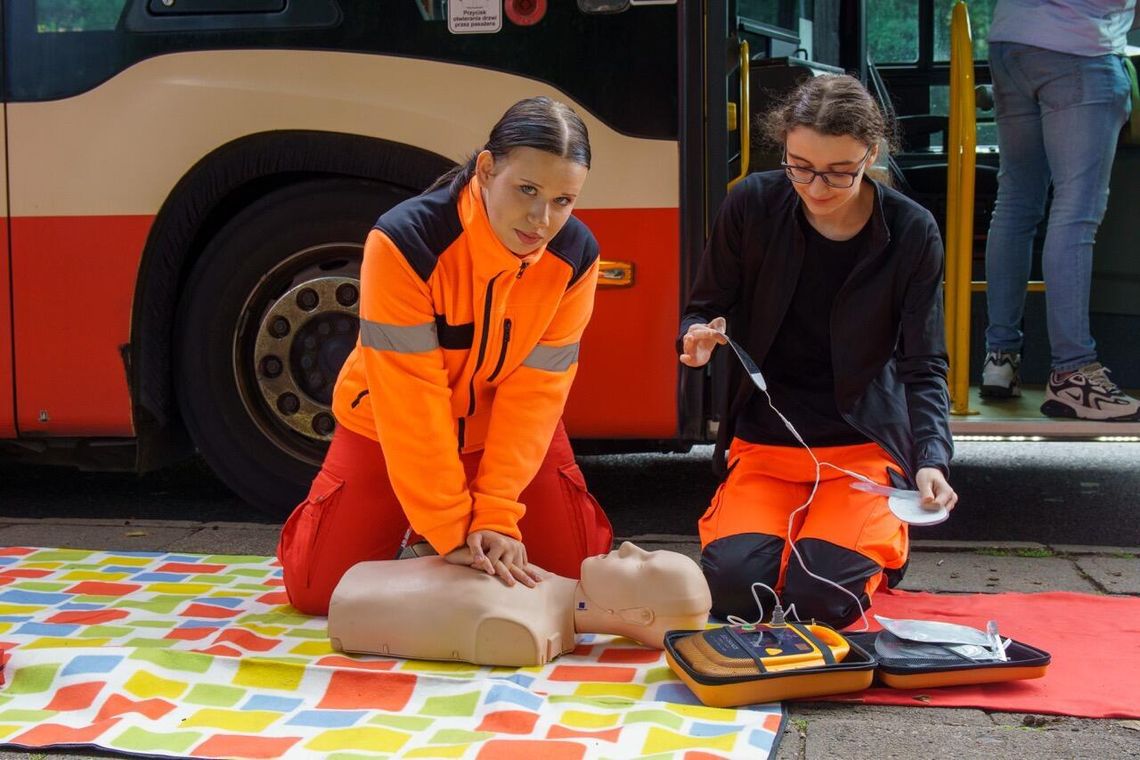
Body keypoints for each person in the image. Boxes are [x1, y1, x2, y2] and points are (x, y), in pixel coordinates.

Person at [278, 96, 614, 616]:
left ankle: (425, 532)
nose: (541, 218)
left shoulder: (576, 256)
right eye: (526, 189)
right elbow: (411, 399)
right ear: (485, 169)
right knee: (316, 592)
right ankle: (413, 528)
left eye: (563, 200)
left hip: (500, 428)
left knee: (576, 575)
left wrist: (497, 515)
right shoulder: (403, 241)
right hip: (385, 424)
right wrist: (451, 529)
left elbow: (537, 393)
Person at [678, 75, 958, 629]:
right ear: (783, 146)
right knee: (736, 592)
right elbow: (702, 306)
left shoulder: (910, 229)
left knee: (822, 600)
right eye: (799, 166)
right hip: (765, 443)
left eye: (838, 172)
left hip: (859, 452)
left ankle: (860, 545)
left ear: (871, 154)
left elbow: (924, 363)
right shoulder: (752, 203)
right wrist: (695, 339)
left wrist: (931, 458)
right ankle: (789, 546)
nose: (816, 186)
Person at [980, 0, 1140, 421]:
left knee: (1015, 203)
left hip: (1011, 44)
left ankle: (1001, 358)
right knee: (1076, 212)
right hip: (1078, 51)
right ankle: (1073, 372)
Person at [327, 542, 712, 666]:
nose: (629, 547)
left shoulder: (525, 628)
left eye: (643, 564)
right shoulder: (540, 589)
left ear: (636, 616)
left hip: (351, 601)